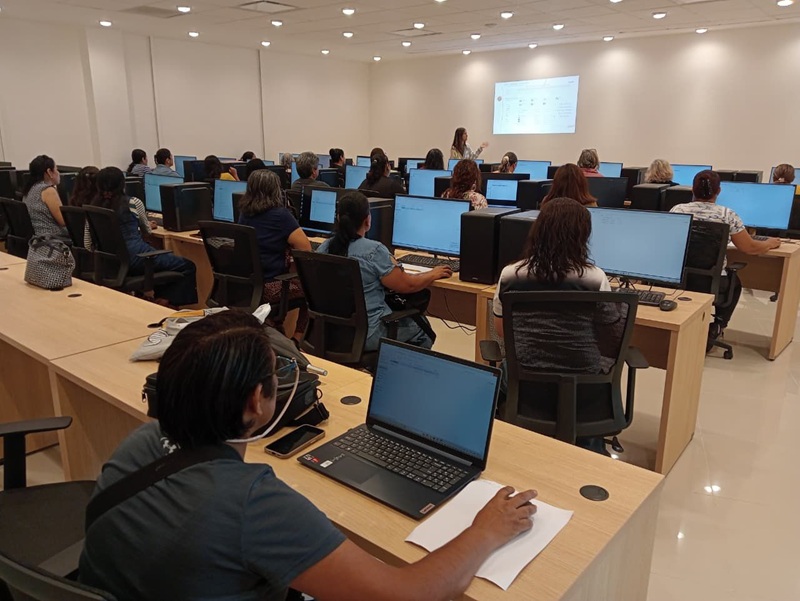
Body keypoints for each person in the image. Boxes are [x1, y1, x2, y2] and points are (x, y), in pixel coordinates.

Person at [79, 309, 537, 601]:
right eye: (276, 375)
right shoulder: (253, 504)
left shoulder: (141, 441)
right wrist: (484, 532)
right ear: (256, 402)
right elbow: (407, 594)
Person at [493, 198, 617, 453]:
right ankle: (588, 451)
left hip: (525, 379)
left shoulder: (511, 274)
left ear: (537, 230)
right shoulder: (595, 278)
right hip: (582, 382)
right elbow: (607, 334)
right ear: (582, 236)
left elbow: (502, 331)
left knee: (503, 369)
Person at [318, 192, 452, 351]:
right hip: (367, 333)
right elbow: (407, 285)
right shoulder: (374, 251)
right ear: (368, 220)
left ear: (338, 218)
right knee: (423, 329)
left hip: (329, 332)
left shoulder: (323, 248)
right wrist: (432, 274)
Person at [88, 167, 197, 306]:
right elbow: (147, 232)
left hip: (109, 265)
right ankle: (164, 302)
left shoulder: (92, 207)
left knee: (159, 264)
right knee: (187, 266)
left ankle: (155, 299)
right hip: (136, 258)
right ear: (122, 184)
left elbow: (87, 243)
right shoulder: (133, 202)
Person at [238, 170, 311, 345]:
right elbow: (306, 249)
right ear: (276, 190)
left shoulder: (244, 214)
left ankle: (275, 327)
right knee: (312, 291)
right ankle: (297, 339)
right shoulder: (280, 216)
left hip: (248, 286)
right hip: (271, 286)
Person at [22, 155, 69, 241]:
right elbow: (63, 221)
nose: (58, 173)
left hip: (38, 239)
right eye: (56, 169)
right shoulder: (48, 191)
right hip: (54, 239)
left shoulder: (29, 189)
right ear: (49, 172)